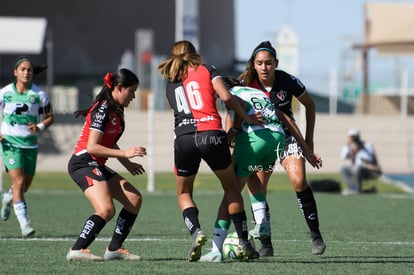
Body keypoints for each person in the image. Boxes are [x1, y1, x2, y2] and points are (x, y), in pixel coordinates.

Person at [157, 40, 260, 262]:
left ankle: (195, 231)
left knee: (184, 193)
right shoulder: (207, 69)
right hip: (211, 135)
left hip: (183, 139)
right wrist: (247, 117)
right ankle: (244, 242)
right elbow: (225, 97)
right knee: (231, 188)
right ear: (195, 54)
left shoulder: (170, 80)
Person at [199, 77, 322, 262]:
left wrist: (240, 124)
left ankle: (216, 249)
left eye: (214, 90)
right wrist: (307, 150)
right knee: (252, 177)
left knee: (231, 192)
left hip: (255, 140)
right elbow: (285, 117)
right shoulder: (258, 93)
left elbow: (234, 103)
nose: (214, 94)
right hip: (276, 140)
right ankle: (262, 222)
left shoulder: (232, 95)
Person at [238, 41, 326, 256]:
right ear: (254, 64)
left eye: (268, 63)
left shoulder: (287, 80)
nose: (264, 67)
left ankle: (315, 234)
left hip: (287, 137)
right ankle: (266, 242)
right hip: (260, 139)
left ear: (276, 63)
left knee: (298, 181)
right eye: (259, 63)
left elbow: (310, 105)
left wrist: (309, 142)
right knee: (258, 187)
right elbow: (233, 111)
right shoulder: (246, 83)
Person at [65, 68, 146, 261]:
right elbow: (92, 146)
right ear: (119, 87)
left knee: (134, 199)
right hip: (83, 162)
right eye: (131, 91)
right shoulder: (102, 108)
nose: (134, 96)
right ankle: (77, 249)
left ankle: (114, 249)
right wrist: (124, 153)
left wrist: (127, 163)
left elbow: (108, 141)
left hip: (95, 163)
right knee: (106, 209)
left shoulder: (116, 110)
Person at [0, 56, 54, 237]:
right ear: (15, 72)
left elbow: (50, 117)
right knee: (19, 182)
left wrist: (39, 127)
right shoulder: (5, 92)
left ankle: (8, 198)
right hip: (9, 142)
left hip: (30, 145)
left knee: (23, 187)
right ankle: (25, 225)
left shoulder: (39, 95)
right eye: (22, 69)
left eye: (29, 69)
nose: (26, 72)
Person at [340, 128, 381, 195]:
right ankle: (353, 188)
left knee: (358, 168)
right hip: (355, 168)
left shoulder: (367, 145)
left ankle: (357, 189)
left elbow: (369, 159)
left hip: (368, 170)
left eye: (353, 137)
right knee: (343, 169)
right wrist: (350, 148)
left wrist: (360, 149)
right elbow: (343, 156)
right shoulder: (349, 146)